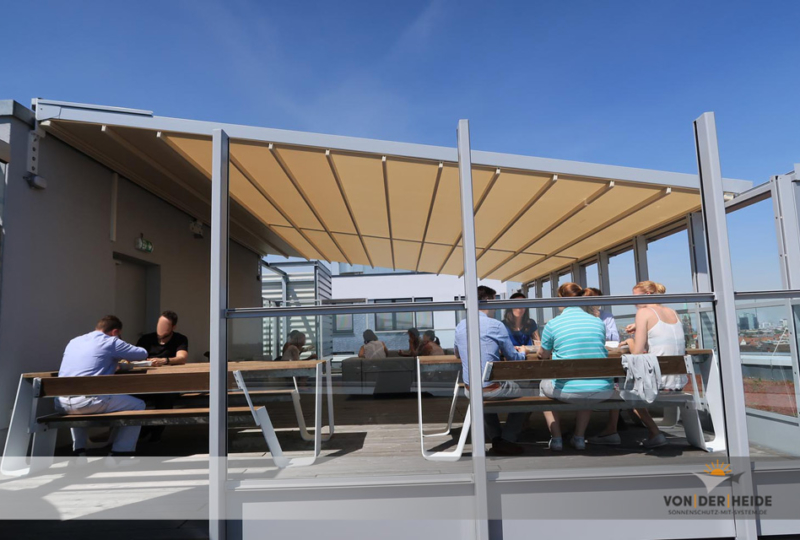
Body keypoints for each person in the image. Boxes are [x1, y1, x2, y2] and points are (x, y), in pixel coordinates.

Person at [589, 280, 683, 448]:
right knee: (623, 386)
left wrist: (628, 341)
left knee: (619, 389)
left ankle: (649, 432)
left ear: (647, 295)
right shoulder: (672, 312)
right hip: (677, 381)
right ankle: (612, 430)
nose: (632, 302)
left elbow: (637, 353)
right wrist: (639, 329)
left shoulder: (644, 312)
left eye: (635, 297)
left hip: (657, 382)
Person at [56, 315, 148, 466]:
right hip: (89, 401)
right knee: (138, 405)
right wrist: (119, 342)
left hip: (62, 403)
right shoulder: (111, 341)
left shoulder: (74, 341)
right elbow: (142, 353)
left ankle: (79, 452)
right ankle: (120, 455)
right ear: (115, 331)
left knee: (75, 398)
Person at [538, 283, 613, 451]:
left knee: (543, 386)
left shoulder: (553, 324)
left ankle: (556, 439)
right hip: (601, 389)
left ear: (560, 299)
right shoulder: (597, 322)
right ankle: (579, 437)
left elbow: (543, 354)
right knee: (588, 382)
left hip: (568, 390)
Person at [454, 285, 528, 456]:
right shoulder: (495, 325)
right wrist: (522, 353)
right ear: (487, 301)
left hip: (469, 389)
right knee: (526, 392)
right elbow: (513, 357)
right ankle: (508, 439)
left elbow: (458, 352)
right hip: (491, 389)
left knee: (482, 392)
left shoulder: (461, 325)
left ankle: (496, 438)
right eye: (494, 301)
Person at [135, 310, 188, 442]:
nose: (160, 328)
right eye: (159, 324)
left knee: (166, 398)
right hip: (146, 382)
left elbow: (182, 358)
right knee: (134, 398)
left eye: (165, 325)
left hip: (169, 382)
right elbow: (133, 357)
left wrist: (164, 361)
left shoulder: (180, 339)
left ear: (173, 327)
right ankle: (139, 431)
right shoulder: (146, 339)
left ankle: (155, 433)